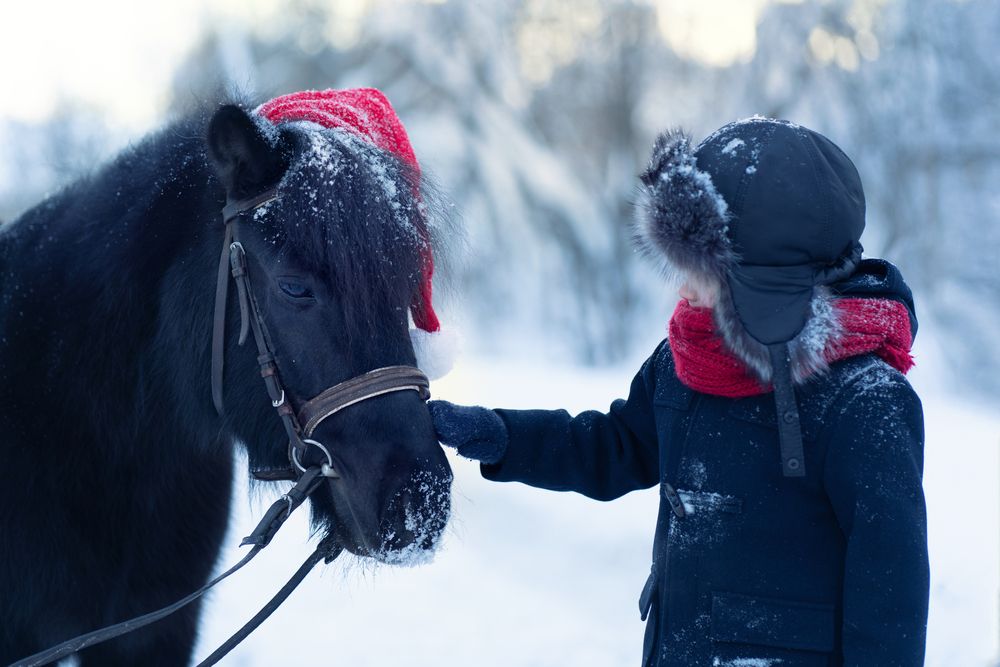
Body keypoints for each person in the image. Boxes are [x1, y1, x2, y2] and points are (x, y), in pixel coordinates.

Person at [429, 118, 929, 666]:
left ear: (763, 276)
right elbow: (618, 446)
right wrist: (502, 437)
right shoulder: (687, 357)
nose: (681, 288)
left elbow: (891, 595)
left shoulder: (865, 401)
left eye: (699, 269)